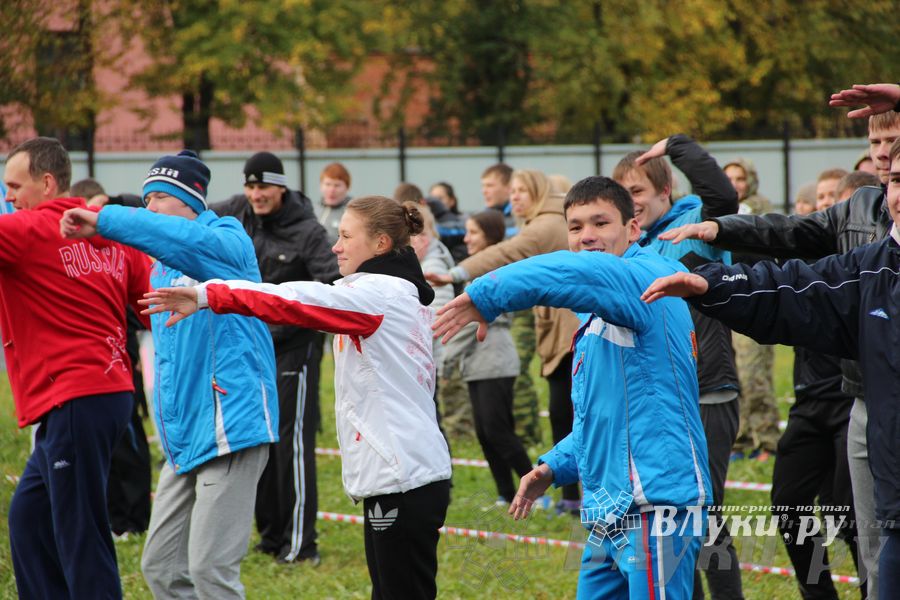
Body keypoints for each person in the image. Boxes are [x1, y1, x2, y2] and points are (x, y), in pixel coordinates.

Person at [142, 196, 452, 600]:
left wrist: (209, 296)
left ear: (379, 245)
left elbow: (296, 300)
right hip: (405, 474)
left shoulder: (378, 296)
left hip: (404, 477)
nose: (335, 247)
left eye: (345, 236)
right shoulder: (390, 292)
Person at [641, 136, 900, 599]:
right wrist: (714, 276)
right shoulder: (864, 250)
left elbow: (725, 198)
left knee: (849, 520)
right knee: (795, 507)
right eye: (876, 142)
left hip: (847, 401)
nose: (882, 152)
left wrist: (681, 149)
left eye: (890, 138)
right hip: (838, 396)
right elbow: (789, 268)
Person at [434, 176, 711, 600]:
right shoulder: (599, 314)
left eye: (601, 223)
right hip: (611, 508)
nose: (587, 237)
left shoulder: (647, 278)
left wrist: (487, 294)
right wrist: (554, 466)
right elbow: (602, 418)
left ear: (633, 229)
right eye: (576, 226)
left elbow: (577, 271)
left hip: (655, 503)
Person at [60, 150, 279, 599]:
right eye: (147, 198)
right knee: (160, 568)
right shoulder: (163, 264)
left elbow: (179, 239)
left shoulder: (226, 238)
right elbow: (147, 246)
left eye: (160, 196)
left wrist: (106, 219)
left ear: (192, 199)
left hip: (229, 426)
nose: (151, 207)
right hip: (184, 437)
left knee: (210, 572)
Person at [3, 137, 152, 599]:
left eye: (14, 186)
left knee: (80, 532)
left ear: (47, 183)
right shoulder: (107, 234)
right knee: (29, 519)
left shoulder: (26, 229)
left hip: (75, 396)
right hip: (106, 394)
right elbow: (149, 304)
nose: (8, 197)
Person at [612, 134, 744, 599]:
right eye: (623, 196)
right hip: (659, 399)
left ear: (665, 189)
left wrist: (676, 146)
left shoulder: (694, 223)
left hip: (708, 390)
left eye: (638, 192)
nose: (633, 204)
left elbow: (725, 197)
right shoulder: (633, 246)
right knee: (672, 514)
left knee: (704, 513)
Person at [212, 151, 340, 566]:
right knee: (259, 438)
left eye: (263, 186)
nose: (255, 194)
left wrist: (288, 320)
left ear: (280, 187)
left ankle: (301, 544)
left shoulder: (308, 231)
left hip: (294, 351)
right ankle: (270, 536)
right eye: (250, 186)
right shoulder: (237, 211)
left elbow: (332, 289)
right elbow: (190, 215)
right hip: (250, 351)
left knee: (292, 445)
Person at [429, 170, 582, 451]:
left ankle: (572, 491)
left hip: (568, 332)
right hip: (560, 330)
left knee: (564, 415)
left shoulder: (544, 225)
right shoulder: (541, 221)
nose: (515, 197)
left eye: (521, 190)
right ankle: (571, 492)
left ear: (538, 191)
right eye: (512, 191)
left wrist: (457, 273)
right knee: (562, 415)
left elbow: (507, 253)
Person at [70, 176, 154, 536]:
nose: (99, 217)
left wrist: (132, 349)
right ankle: (113, 516)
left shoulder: (121, 240)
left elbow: (137, 300)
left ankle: (134, 519)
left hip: (122, 352)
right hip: (88, 362)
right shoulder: (77, 251)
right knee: (102, 448)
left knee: (129, 437)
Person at [440, 209, 530, 505]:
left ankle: (533, 485)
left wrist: (446, 358)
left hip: (495, 361)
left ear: (490, 237)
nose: (466, 238)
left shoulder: (492, 270)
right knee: (484, 434)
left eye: (473, 232)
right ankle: (505, 493)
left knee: (498, 430)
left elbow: (468, 323)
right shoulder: (474, 270)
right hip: (477, 365)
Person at [722, 158, 779, 463]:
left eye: (740, 178)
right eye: (728, 178)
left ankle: (768, 440)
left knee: (755, 374)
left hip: (756, 300)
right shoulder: (718, 210)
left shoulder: (762, 209)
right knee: (734, 374)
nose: (734, 184)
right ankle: (741, 439)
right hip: (727, 302)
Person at [317, 161, 352, 245]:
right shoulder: (312, 210)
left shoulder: (352, 213)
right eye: (328, 184)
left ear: (347, 187)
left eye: (337, 185)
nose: (332, 190)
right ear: (321, 186)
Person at [480, 163, 518, 237]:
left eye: (489, 185)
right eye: (483, 186)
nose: (484, 191)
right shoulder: (484, 218)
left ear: (509, 188)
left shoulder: (522, 217)